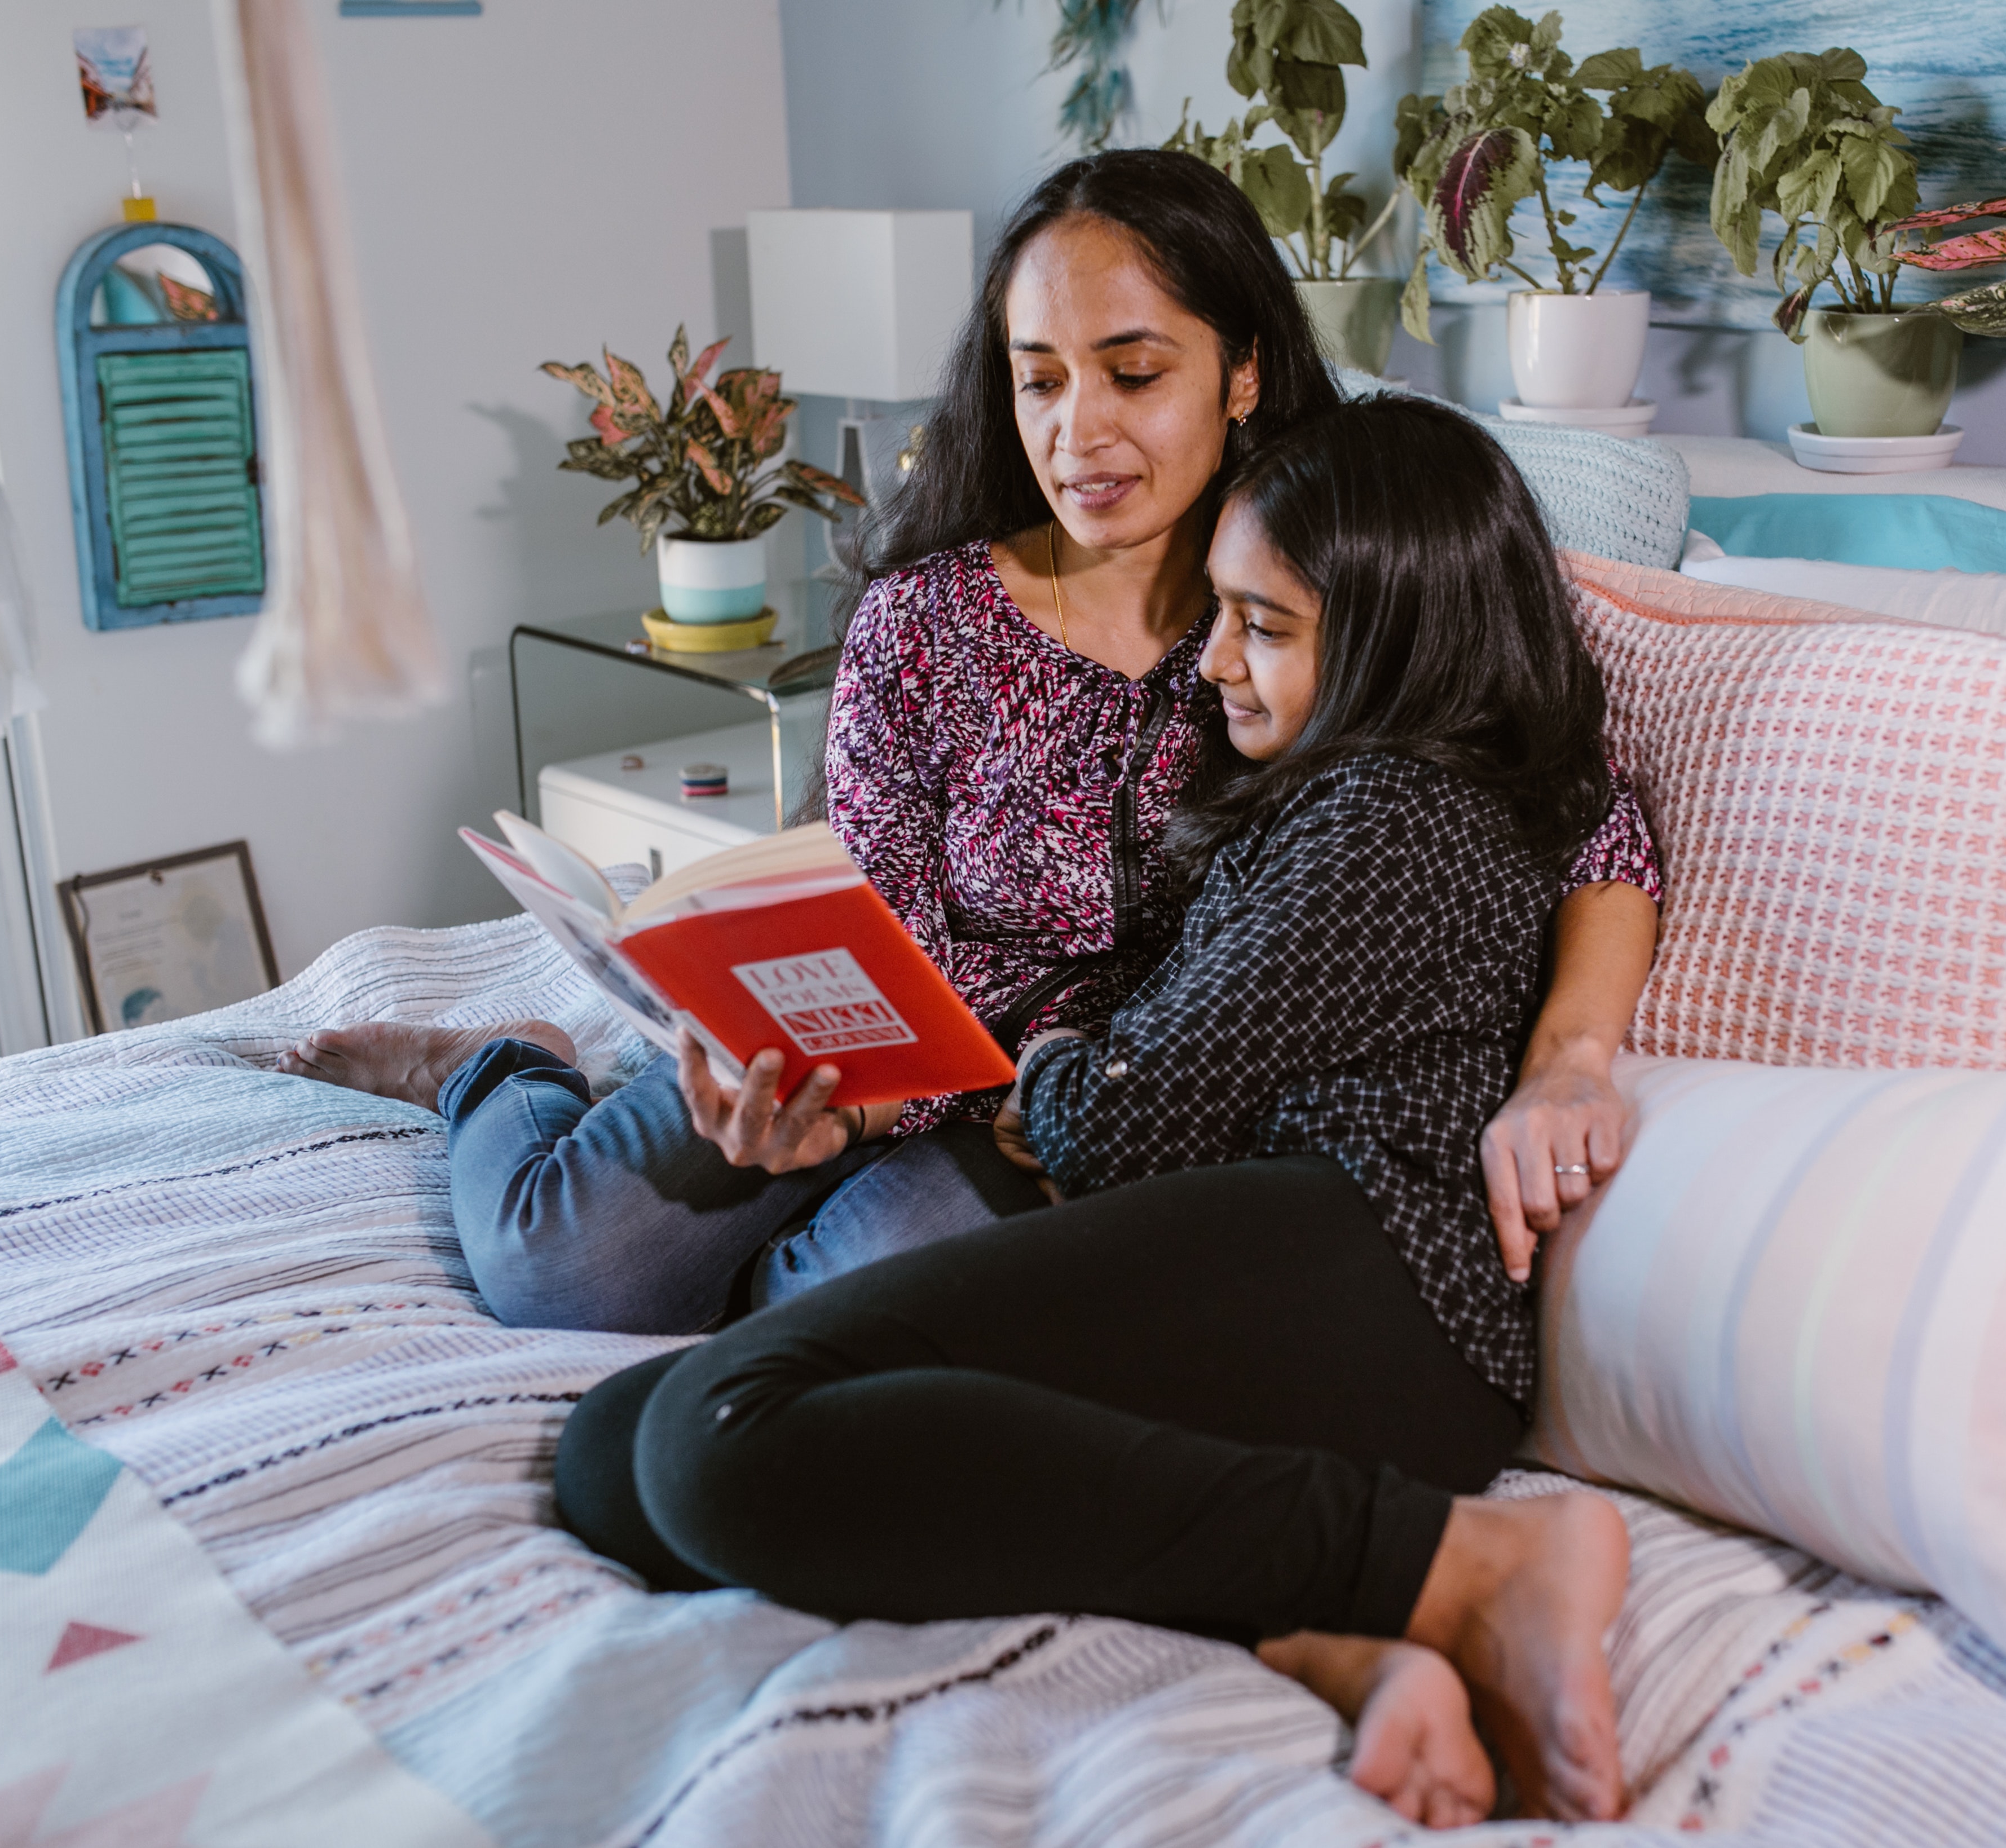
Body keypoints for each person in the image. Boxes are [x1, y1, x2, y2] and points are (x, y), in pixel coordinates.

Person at [277, 147, 1656, 1367]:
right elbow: (873, 927)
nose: (1076, 432)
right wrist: (814, 1105)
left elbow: (1580, 816)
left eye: (1134, 372)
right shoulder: (927, 622)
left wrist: (1571, 1060)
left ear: (1243, 370)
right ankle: (501, 1071)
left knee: (833, 1326)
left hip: (1067, 1123)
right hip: (873, 1077)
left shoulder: (1322, 598)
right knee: (555, 1267)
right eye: (1038, 378)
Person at [554, 398, 1645, 1825]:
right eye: (1221, 617)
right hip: (1281, 1279)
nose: (1212, 664)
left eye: (1262, 626)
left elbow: (1112, 1123)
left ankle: (1471, 1564)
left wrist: (1064, 1044)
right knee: (612, 1454)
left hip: (1372, 1275)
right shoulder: (1342, 798)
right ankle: (1329, 1634)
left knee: (715, 1428)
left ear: (1395, 642)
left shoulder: (1391, 823)